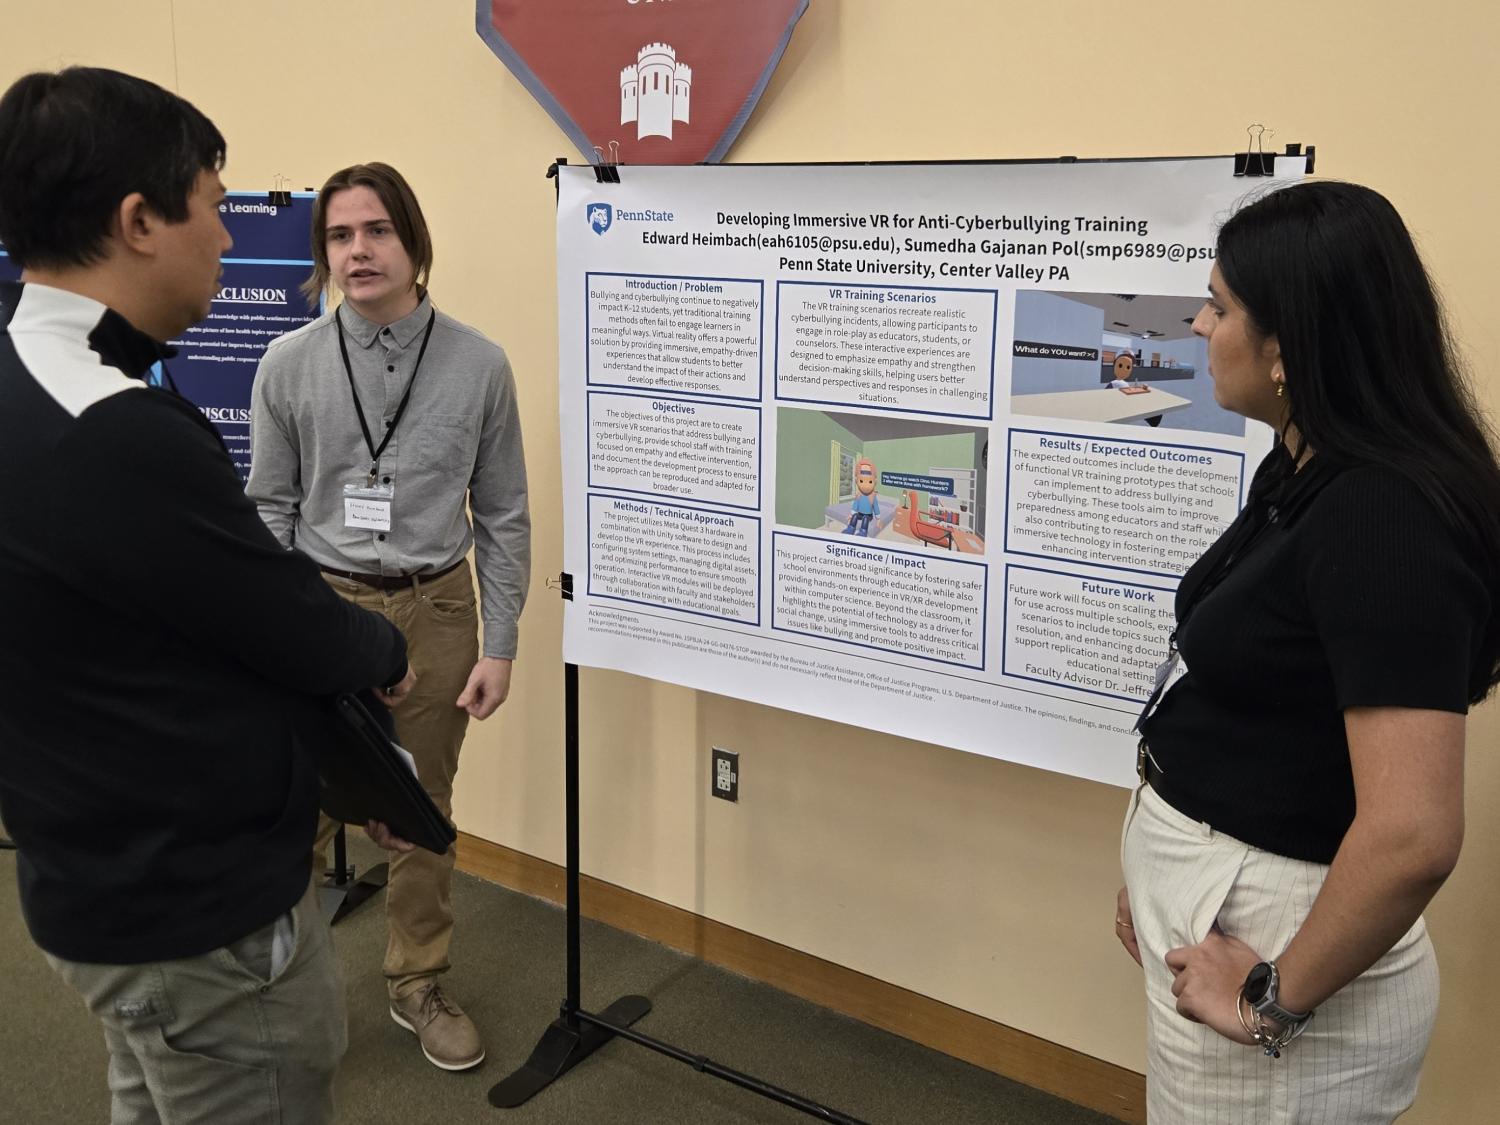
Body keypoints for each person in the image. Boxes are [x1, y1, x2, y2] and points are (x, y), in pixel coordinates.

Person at [0, 68, 417, 1125]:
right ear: (139, 221)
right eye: (216, 208)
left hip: (93, 876)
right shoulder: (118, 432)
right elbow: (295, 629)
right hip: (196, 911)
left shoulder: (25, 378)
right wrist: (383, 649)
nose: (231, 240)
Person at [1115, 180, 1500, 1123]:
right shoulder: (1303, 461)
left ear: (1287, 342)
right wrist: (1154, 865)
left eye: (1221, 305)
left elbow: (1413, 833)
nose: (1201, 326)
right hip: (1221, 896)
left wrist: (1271, 1001)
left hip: (1283, 939)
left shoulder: (1384, 517)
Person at [247, 162, 531, 1072]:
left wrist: (501, 641)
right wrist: (284, 630)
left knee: (419, 808)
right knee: (295, 807)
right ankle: (280, 993)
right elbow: (270, 511)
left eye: (376, 231)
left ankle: (417, 979)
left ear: (413, 244)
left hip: (435, 607)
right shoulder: (287, 363)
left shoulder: (480, 365)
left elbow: (505, 515)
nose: (357, 251)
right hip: (321, 602)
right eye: (338, 236)